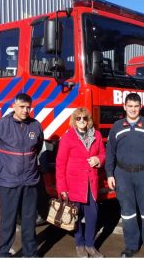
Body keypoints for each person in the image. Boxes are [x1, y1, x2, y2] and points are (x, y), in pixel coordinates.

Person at [0, 93, 44, 257]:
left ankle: (30, 253)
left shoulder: (36, 126)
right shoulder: (0, 125)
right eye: (22, 107)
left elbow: (37, 148)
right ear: (13, 106)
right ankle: (3, 253)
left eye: (28, 107)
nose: (25, 110)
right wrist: (4, 168)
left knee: (29, 220)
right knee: (8, 221)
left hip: (30, 181)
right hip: (8, 182)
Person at [105, 93, 144, 258]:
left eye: (136, 106)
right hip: (122, 174)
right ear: (124, 107)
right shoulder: (117, 126)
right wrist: (110, 174)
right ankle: (131, 246)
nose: (133, 109)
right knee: (128, 212)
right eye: (130, 106)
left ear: (140, 107)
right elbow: (110, 153)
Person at [55, 107, 106, 258]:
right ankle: (79, 244)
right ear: (74, 120)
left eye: (84, 118)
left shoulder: (96, 135)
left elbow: (103, 153)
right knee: (74, 216)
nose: (82, 121)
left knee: (93, 215)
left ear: (88, 120)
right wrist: (62, 187)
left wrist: (99, 160)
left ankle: (90, 245)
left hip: (91, 184)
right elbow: (60, 163)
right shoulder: (68, 137)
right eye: (78, 118)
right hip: (74, 184)